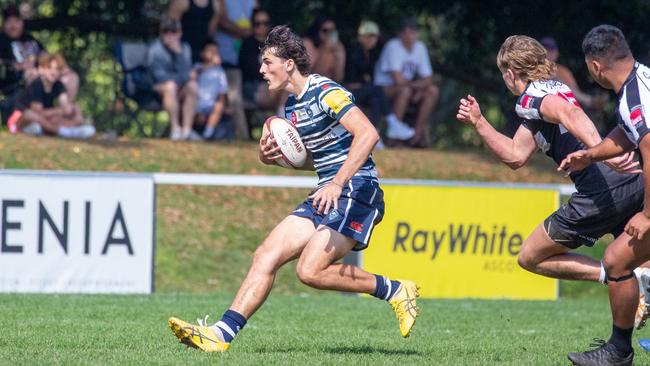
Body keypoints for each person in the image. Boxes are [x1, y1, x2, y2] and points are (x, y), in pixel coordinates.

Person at [168, 25, 420, 352]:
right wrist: (273, 159)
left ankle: (396, 289)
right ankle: (220, 335)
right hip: (328, 190)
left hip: (358, 189)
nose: (261, 69)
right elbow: (317, 160)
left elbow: (369, 134)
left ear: (289, 63)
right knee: (265, 255)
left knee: (310, 271)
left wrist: (337, 182)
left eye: (268, 62)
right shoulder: (291, 108)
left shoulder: (326, 90)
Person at [456, 35, 650, 358]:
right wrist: (479, 122)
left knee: (530, 256)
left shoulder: (530, 97)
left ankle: (610, 277)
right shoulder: (550, 90)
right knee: (632, 262)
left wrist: (597, 152)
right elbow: (516, 155)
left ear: (511, 73)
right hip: (630, 183)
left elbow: (569, 116)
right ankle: (629, 307)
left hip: (598, 191)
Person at [559, 25, 650, 366]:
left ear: (595, 66)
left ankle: (618, 352)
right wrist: (592, 154)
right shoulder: (639, 82)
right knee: (619, 260)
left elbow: (649, 147)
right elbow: (628, 133)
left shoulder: (635, 96)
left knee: (616, 260)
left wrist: (646, 214)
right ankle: (618, 351)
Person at [344, 20, 416, 146]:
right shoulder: (354, 50)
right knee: (377, 90)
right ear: (361, 37)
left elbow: (367, 78)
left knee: (375, 99)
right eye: (368, 36)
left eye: (374, 36)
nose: (372, 40)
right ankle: (393, 122)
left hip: (364, 90)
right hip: (349, 91)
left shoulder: (371, 54)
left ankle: (374, 136)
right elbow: (353, 78)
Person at [374, 17, 439, 148]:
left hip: (407, 87)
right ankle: (394, 136)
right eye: (405, 32)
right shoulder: (393, 46)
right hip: (383, 89)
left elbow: (428, 79)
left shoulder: (420, 48)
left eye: (412, 32)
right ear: (400, 34)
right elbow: (398, 79)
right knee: (405, 91)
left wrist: (419, 89)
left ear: (417, 33)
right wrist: (417, 88)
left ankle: (417, 135)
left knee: (432, 90)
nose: (408, 35)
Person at [0, 5, 80, 109]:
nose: (13, 25)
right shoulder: (2, 41)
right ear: (4, 24)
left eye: (16, 21)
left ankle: (64, 112)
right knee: (33, 75)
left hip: (43, 74)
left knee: (71, 77)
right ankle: (40, 115)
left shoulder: (30, 39)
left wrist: (61, 68)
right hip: (19, 83)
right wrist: (17, 65)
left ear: (21, 22)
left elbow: (46, 56)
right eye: (9, 21)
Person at [7, 53, 94, 138]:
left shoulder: (58, 85)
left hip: (43, 120)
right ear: (41, 69)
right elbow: (37, 112)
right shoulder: (37, 84)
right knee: (31, 115)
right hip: (22, 119)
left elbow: (66, 108)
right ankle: (62, 131)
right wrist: (57, 111)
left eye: (57, 69)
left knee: (66, 114)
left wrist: (74, 110)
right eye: (49, 68)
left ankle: (60, 130)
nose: (53, 72)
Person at [147, 16, 198, 140]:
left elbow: (188, 75)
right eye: (166, 32)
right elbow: (160, 77)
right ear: (161, 34)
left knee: (192, 86)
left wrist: (178, 54)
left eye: (173, 32)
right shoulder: (155, 50)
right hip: (158, 89)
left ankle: (187, 130)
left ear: (180, 33)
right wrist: (181, 78)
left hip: (179, 87)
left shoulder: (184, 49)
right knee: (170, 86)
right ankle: (175, 129)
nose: (170, 35)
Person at [214, 0, 258, 140]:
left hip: (249, 59)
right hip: (226, 59)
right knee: (234, 98)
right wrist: (247, 32)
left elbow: (258, 18)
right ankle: (242, 136)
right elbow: (222, 21)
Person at [238, 8, 285, 114]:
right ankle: (282, 118)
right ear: (252, 25)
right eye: (257, 24)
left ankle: (283, 119)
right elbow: (252, 71)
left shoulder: (275, 43)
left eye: (265, 23)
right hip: (253, 85)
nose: (262, 27)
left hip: (274, 83)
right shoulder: (247, 45)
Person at [540, 36, 606, 111]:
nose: (547, 53)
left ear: (557, 53)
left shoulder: (563, 71)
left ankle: (590, 101)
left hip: (561, 107)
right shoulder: (532, 68)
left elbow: (574, 92)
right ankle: (589, 101)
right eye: (544, 50)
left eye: (550, 51)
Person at [193, 40, 231, 140]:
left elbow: (222, 92)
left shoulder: (220, 72)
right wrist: (210, 65)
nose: (214, 53)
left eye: (216, 51)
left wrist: (224, 106)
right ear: (202, 53)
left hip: (212, 106)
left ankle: (207, 134)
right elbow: (193, 76)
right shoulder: (198, 67)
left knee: (219, 106)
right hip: (196, 104)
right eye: (210, 51)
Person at [305, 16, 346, 83]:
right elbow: (313, 76)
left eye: (332, 31)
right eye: (325, 31)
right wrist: (325, 51)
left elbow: (338, 79)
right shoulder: (308, 44)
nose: (329, 34)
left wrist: (340, 57)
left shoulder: (337, 47)